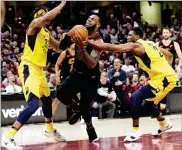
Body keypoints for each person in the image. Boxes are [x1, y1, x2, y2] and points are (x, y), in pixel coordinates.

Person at [87, 27, 178, 142]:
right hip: (162, 78)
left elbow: (115, 48)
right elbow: (169, 55)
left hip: (164, 79)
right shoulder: (150, 43)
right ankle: (164, 123)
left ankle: (136, 131)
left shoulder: (137, 45)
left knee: (135, 97)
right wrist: (167, 69)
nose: (128, 37)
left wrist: (89, 42)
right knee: (146, 105)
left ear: (137, 37)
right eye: (128, 35)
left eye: (131, 35)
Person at [2, 2, 67, 149]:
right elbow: (47, 19)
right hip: (29, 67)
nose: (44, 15)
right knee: (33, 105)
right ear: (37, 17)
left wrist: (67, 39)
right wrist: (62, 3)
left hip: (39, 70)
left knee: (46, 101)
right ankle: (8, 137)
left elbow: (58, 47)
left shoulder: (46, 33)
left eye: (46, 12)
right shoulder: (33, 26)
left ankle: (49, 129)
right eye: (42, 13)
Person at [56, 14, 103, 142]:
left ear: (98, 25)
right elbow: (60, 47)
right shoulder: (79, 30)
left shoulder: (98, 42)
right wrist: (65, 38)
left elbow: (92, 64)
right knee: (60, 93)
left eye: (93, 19)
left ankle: (89, 128)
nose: (89, 19)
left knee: (85, 106)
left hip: (90, 78)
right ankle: (76, 109)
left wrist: (81, 47)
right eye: (89, 18)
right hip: (76, 73)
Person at [52, 43, 79, 116]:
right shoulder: (64, 53)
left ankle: (81, 117)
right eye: (73, 43)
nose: (74, 44)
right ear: (69, 44)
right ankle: (49, 120)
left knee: (79, 96)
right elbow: (57, 64)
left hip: (74, 77)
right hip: (64, 78)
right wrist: (57, 75)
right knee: (57, 99)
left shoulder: (79, 52)